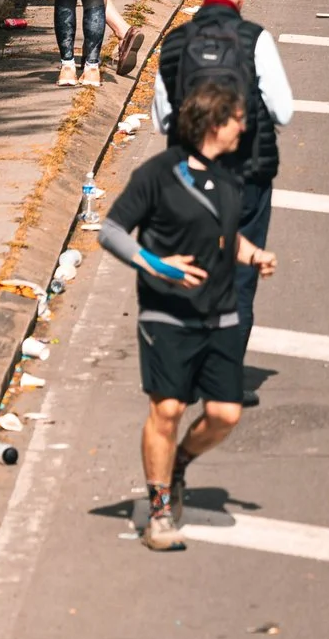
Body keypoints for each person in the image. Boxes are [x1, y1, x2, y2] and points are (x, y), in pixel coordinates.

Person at [99, 79, 277, 551]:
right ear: (215, 124)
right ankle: (159, 512)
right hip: (167, 314)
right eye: (237, 120)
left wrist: (252, 254)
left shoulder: (230, 176)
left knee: (225, 415)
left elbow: (224, 235)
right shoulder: (158, 174)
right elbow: (111, 231)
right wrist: (159, 266)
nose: (243, 128)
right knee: (169, 409)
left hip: (220, 314)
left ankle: (177, 464)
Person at [151, 0, 296, 378]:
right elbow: (283, 111)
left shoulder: (175, 42)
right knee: (239, 279)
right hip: (247, 173)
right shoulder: (255, 39)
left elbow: (161, 118)